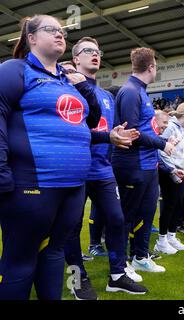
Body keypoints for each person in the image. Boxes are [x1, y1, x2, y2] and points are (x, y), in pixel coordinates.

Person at [0, 15, 103, 300]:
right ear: (31, 38)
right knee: (19, 262)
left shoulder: (67, 80)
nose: (60, 35)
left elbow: (91, 120)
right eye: (51, 30)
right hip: (30, 186)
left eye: (62, 31)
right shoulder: (14, 70)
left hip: (73, 188)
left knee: (54, 253)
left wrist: (82, 85)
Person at [62, 38, 147, 299]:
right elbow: (75, 130)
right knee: (72, 227)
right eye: (88, 51)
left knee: (117, 219)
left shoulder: (108, 96)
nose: (95, 55)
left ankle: (117, 276)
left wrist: (116, 135)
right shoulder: (66, 88)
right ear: (75, 59)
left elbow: (105, 132)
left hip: (102, 169)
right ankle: (79, 279)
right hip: (75, 169)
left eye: (97, 52)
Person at [112, 48, 175, 273]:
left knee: (147, 213)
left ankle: (140, 256)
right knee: (126, 217)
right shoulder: (130, 91)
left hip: (148, 165)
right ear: (151, 67)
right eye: (156, 65)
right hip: (132, 164)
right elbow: (132, 133)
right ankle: (120, 266)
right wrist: (162, 143)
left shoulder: (140, 91)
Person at [156, 103, 184, 253]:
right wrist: (172, 169)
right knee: (169, 205)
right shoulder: (170, 127)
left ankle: (171, 236)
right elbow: (160, 149)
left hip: (182, 170)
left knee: (178, 205)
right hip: (168, 171)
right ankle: (161, 240)